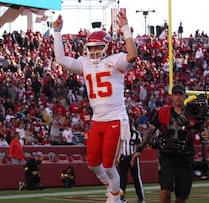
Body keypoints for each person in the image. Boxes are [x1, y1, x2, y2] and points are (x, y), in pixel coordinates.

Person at [53, 9, 138, 203]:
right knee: (92, 164)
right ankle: (112, 190)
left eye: (97, 47)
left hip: (116, 119)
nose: (93, 51)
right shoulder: (85, 63)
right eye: (90, 48)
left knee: (109, 166)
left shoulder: (115, 59)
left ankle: (115, 199)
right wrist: (57, 33)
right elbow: (61, 60)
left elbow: (132, 55)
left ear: (107, 47)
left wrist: (125, 28)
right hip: (98, 120)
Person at [131, 84, 205, 203]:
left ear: (185, 96)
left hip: (185, 156)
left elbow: (202, 131)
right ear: (171, 96)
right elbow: (151, 130)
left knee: (181, 197)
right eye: (176, 94)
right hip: (168, 156)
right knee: (165, 189)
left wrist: (204, 134)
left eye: (180, 94)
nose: (178, 97)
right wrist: (140, 149)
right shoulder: (163, 112)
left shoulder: (192, 113)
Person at [118, 117, 145, 203]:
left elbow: (140, 146)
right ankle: (121, 198)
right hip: (122, 157)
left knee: (136, 178)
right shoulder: (119, 133)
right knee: (122, 179)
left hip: (132, 158)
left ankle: (141, 198)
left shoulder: (135, 134)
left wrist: (135, 155)